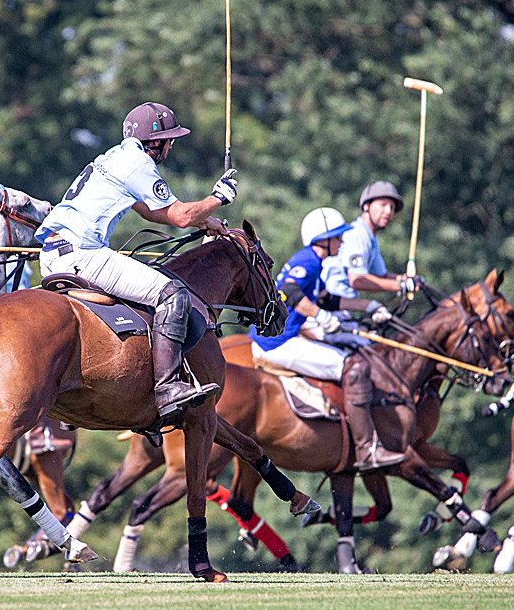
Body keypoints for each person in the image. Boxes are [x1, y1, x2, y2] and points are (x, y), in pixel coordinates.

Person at [34, 102, 237, 432]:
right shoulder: (139, 163)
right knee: (173, 294)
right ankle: (169, 387)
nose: (171, 147)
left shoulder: (115, 156)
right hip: (84, 254)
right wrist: (219, 197)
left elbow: (150, 211)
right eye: (170, 140)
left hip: (52, 255)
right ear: (155, 142)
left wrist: (206, 221)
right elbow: (179, 215)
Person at [250, 207, 405, 470]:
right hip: (278, 343)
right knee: (353, 367)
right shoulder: (307, 260)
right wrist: (320, 316)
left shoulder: (315, 262)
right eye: (338, 236)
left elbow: (326, 299)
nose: (342, 241)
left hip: (278, 339)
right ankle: (367, 450)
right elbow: (288, 292)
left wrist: (367, 306)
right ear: (323, 239)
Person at [322, 181, 423, 301]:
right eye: (383, 205)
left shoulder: (371, 237)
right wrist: (401, 285)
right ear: (366, 206)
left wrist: (406, 279)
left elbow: (381, 276)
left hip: (344, 307)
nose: (388, 211)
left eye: (392, 207)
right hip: (329, 307)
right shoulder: (358, 233)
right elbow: (357, 280)